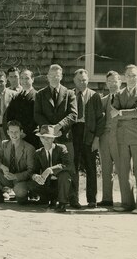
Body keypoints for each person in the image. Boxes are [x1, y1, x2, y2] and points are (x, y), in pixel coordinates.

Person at [34, 64, 79, 208]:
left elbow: (73, 114)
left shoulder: (69, 93)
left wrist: (59, 126)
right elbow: (37, 114)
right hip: (46, 136)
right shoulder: (40, 94)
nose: (54, 78)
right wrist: (49, 130)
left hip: (64, 135)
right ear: (47, 77)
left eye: (57, 75)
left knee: (68, 168)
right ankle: (47, 197)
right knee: (46, 165)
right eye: (52, 76)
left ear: (61, 76)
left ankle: (73, 197)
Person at [71, 68, 105, 208]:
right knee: (73, 167)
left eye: (84, 80)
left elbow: (100, 119)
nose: (82, 82)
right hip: (73, 133)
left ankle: (91, 199)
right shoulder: (69, 94)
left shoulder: (94, 96)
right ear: (74, 80)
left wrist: (96, 139)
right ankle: (73, 199)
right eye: (79, 80)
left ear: (88, 80)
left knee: (91, 167)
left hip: (89, 134)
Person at [112, 64, 137, 213]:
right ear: (124, 77)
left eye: (134, 75)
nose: (131, 78)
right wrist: (127, 114)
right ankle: (127, 203)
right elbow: (112, 112)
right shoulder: (119, 93)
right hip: (122, 135)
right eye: (128, 75)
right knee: (123, 169)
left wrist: (121, 113)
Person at [0, 121, 35, 204]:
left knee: (21, 196)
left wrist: (15, 176)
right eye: (11, 132)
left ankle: (24, 196)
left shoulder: (29, 148)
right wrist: (2, 166)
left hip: (20, 179)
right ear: (8, 132)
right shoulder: (4, 144)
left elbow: (31, 171)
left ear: (21, 132)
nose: (14, 134)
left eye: (16, 132)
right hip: (7, 177)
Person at [27, 125, 72, 212]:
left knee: (65, 175)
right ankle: (47, 199)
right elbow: (32, 171)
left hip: (59, 183)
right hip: (47, 183)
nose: (46, 140)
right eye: (43, 138)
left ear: (53, 139)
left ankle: (62, 204)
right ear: (40, 139)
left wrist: (50, 169)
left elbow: (68, 165)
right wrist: (35, 176)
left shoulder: (61, 148)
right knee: (31, 183)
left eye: (49, 138)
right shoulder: (38, 153)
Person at [97, 71, 122, 207]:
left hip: (120, 138)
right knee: (106, 169)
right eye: (109, 82)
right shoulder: (103, 100)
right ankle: (107, 198)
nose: (112, 84)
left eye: (115, 81)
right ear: (106, 84)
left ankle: (126, 199)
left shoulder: (125, 98)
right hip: (105, 138)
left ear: (120, 82)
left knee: (123, 168)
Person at [4, 69, 38, 147]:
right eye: (22, 78)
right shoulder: (16, 96)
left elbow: (35, 118)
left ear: (32, 79)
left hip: (30, 137)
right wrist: (13, 131)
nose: (24, 81)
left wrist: (24, 132)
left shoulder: (37, 96)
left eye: (27, 78)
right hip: (16, 136)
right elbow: (10, 115)